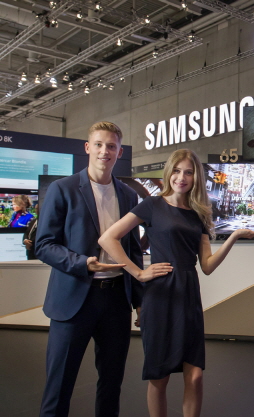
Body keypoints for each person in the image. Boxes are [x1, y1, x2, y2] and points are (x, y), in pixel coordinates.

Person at [98, 149, 254, 417]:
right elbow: (108, 238)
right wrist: (138, 273)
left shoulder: (198, 214)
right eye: (176, 171)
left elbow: (207, 266)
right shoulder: (152, 205)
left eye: (188, 172)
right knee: (159, 376)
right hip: (160, 295)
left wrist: (233, 236)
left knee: (195, 376)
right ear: (169, 173)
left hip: (188, 296)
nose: (181, 177)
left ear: (196, 177)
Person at [35, 121, 143, 417]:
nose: (104, 151)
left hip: (116, 301)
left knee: (111, 384)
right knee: (59, 387)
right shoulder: (62, 189)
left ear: (119, 152)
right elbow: (43, 245)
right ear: (87, 147)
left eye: (111, 146)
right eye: (98, 144)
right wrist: (82, 264)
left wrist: (140, 301)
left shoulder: (128, 195)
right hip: (74, 299)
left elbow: (133, 249)